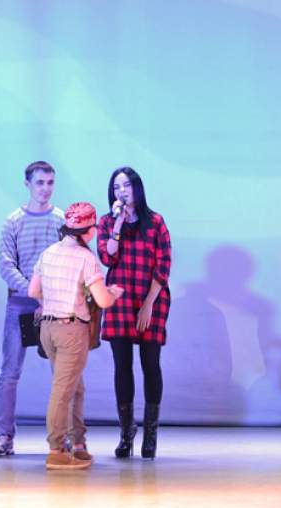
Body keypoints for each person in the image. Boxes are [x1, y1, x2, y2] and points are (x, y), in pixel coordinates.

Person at [29, 202, 123, 470]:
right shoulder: (85, 258)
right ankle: (56, 450)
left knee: (74, 387)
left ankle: (78, 443)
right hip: (72, 330)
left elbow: (33, 291)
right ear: (88, 230)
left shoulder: (48, 253)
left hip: (48, 329)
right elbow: (102, 301)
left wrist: (56, 299)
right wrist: (113, 293)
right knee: (62, 392)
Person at [97, 167, 172, 460]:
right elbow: (107, 256)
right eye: (116, 187)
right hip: (119, 299)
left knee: (150, 364)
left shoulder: (155, 222)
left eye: (126, 185)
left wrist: (149, 303)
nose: (122, 191)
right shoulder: (107, 222)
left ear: (137, 188)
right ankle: (126, 433)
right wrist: (118, 222)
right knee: (122, 366)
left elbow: (163, 264)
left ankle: (151, 435)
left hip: (151, 298)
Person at [0, 161, 64, 457]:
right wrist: (34, 292)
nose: (45, 188)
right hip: (21, 303)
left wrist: (49, 296)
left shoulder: (61, 220)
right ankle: (4, 437)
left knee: (62, 374)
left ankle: (61, 437)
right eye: (40, 183)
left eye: (50, 182)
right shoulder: (13, 221)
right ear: (27, 184)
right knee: (10, 373)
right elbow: (6, 265)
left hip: (55, 305)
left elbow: (67, 260)